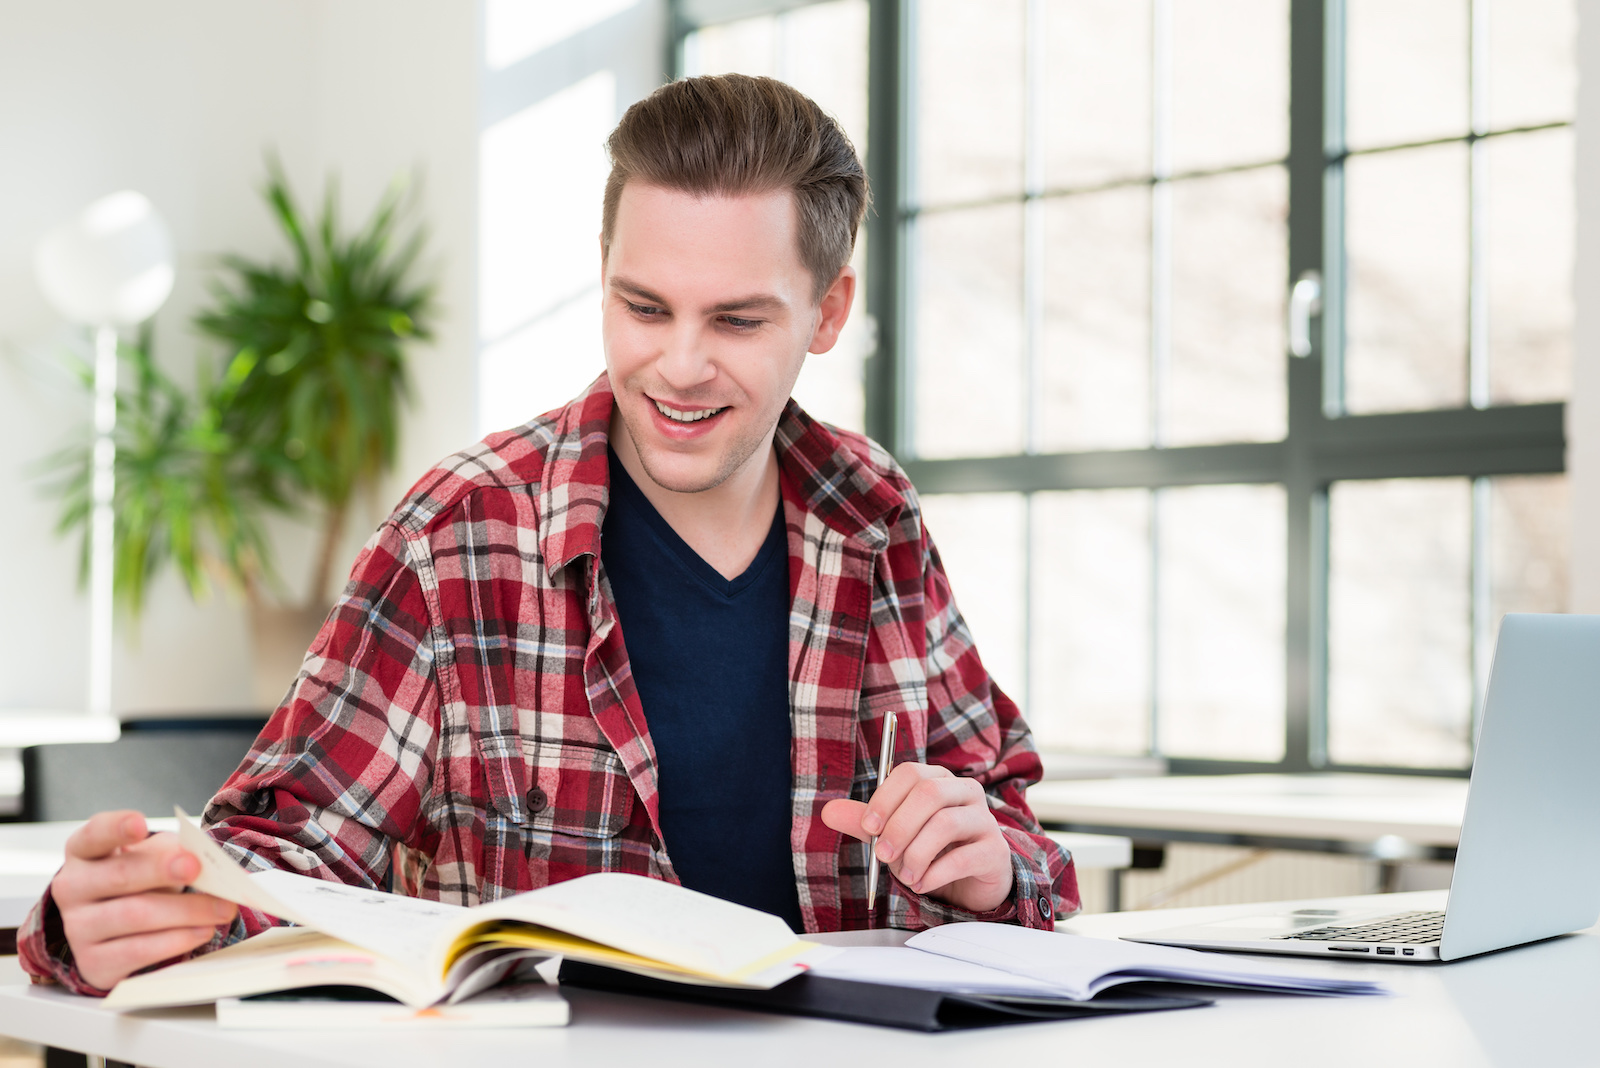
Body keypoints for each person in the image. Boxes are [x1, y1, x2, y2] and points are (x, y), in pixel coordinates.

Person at [21, 73, 1077, 996]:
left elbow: (1021, 841)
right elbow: (282, 852)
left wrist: (987, 866)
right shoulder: (460, 530)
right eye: (644, 307)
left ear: (829, 311)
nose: (678, 365)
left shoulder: (871, 515)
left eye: (738, 321)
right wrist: (119, 919)